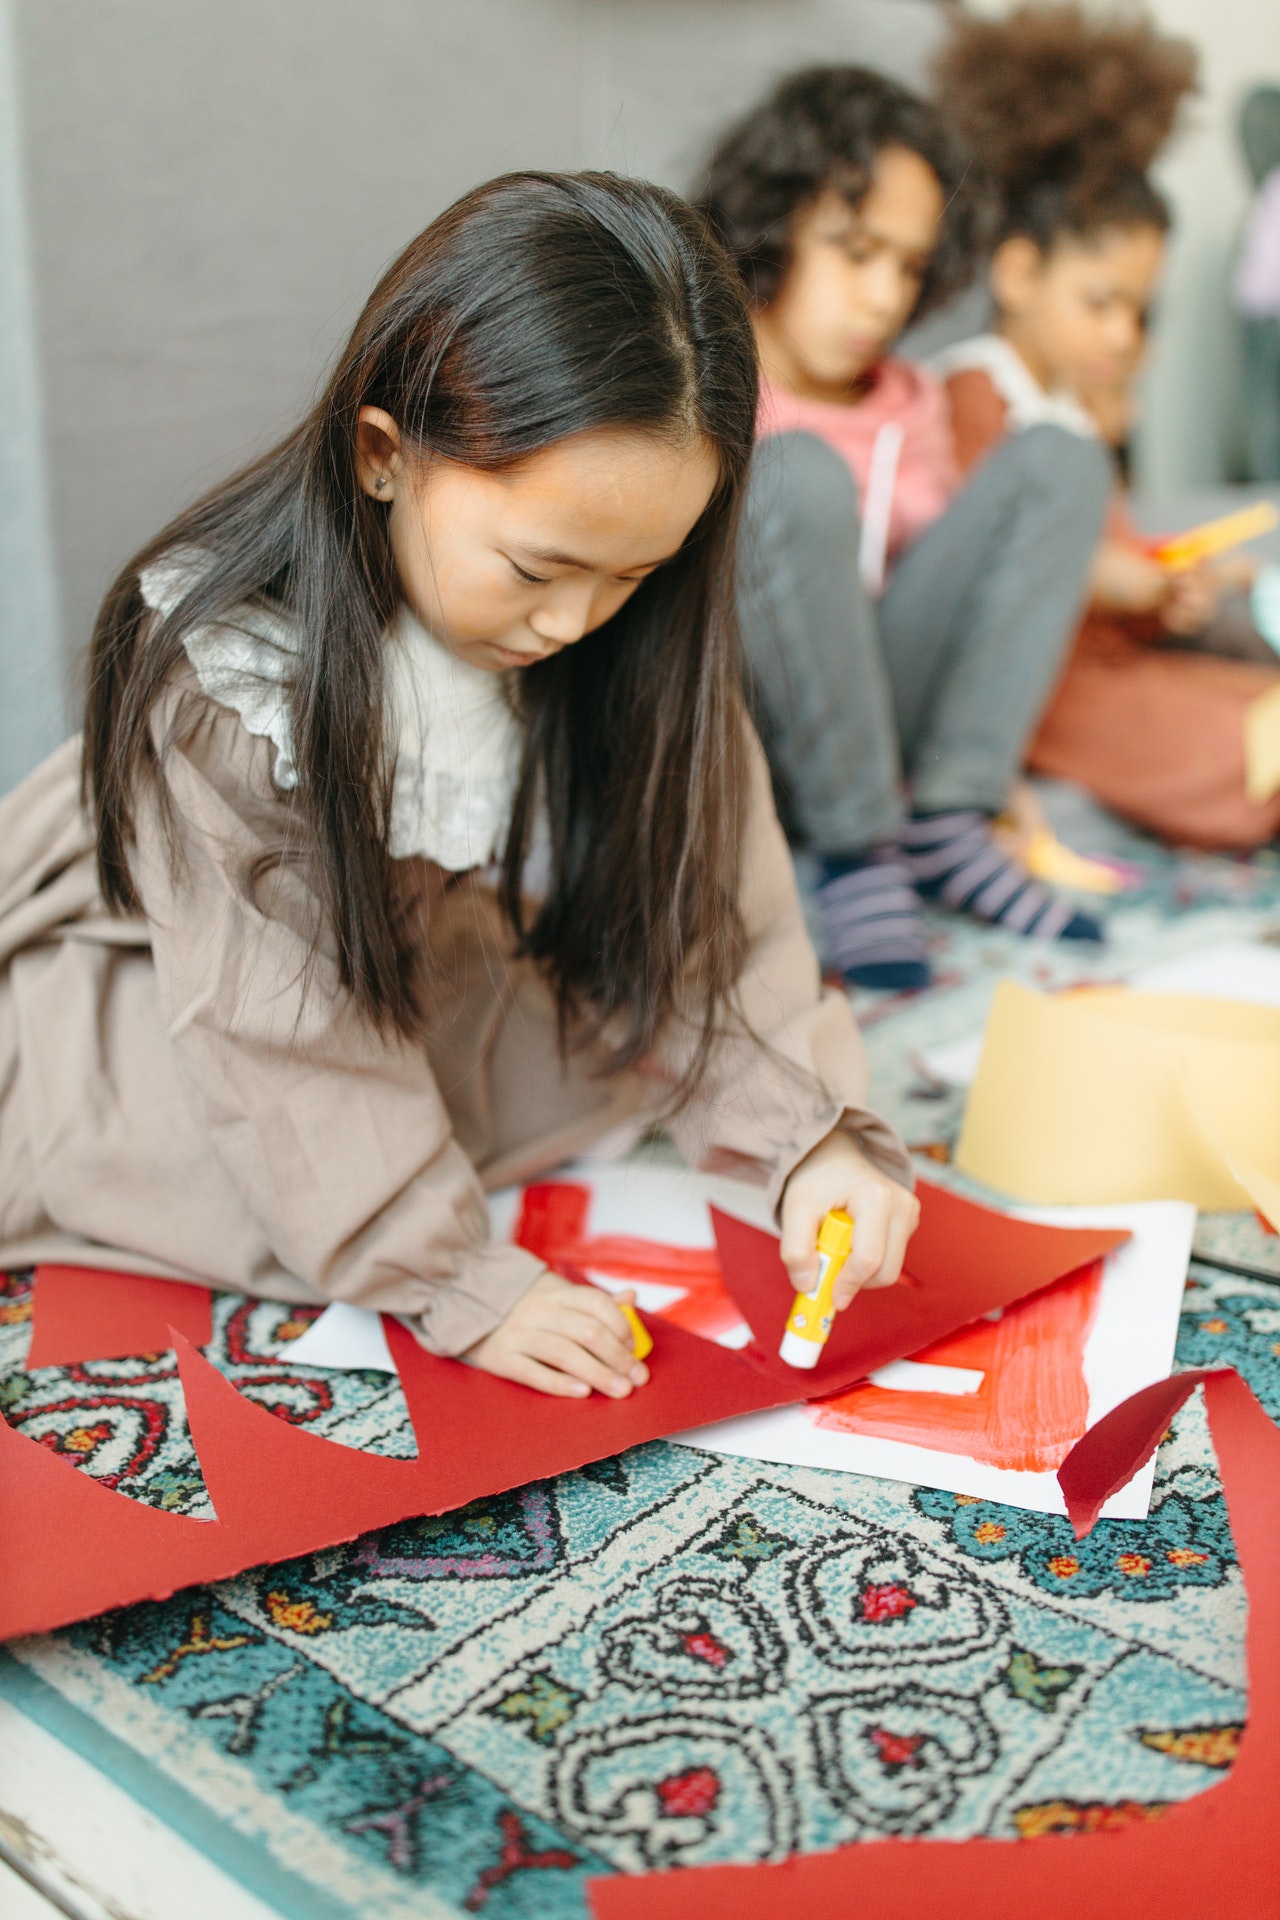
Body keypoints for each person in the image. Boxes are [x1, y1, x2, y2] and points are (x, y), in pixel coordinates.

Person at [0, 173, 918, 1398]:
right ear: (383, 457)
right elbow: (278, 1033)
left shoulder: (615, 638)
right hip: (194, 996)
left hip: (427, 957)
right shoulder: (233, 689)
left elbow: (710, 924)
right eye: (539, 565)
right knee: (235, 1168)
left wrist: (808, 1144)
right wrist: (453, 1279)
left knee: (600, 1054)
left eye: (634, 574)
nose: (576, 622)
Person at [698, 67, 1112, 993]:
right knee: (796, 471)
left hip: (879, 711)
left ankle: (948, 824)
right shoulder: (697, 375)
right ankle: (854, 854)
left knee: (1062, 455)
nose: (885, 298)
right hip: (744, 707)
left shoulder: (912, 402)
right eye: (855, 251)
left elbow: (955, 593)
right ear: (773, 225)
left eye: (910, 267)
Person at [936, 4, 1280, 851]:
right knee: (1237, 745)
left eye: (1139, 309)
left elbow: (1123, 564)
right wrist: (1116, 579)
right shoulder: (977, 390)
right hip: (1048, 689)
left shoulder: (1076, 412)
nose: (1125, 335)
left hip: (1117, 663)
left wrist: (1171, 590)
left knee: (1249, 707)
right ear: (1018, 272)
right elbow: (985, 565)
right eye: (1101, 304)